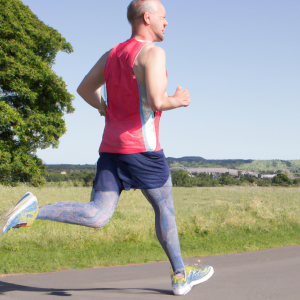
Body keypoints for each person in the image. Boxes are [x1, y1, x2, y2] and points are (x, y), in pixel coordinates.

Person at [2, 0, 214, 295]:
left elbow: (84, 89)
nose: (166, 23)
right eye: (163, 17)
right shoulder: (153, 53)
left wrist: (104, 108)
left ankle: (32, 212)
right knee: (165, 208)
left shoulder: (112, 54)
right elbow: (156, 101)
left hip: (111, 149)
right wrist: (178, 100)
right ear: (148, 17)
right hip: (143, 150)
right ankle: (180, 275)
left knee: (98, 215)